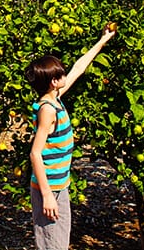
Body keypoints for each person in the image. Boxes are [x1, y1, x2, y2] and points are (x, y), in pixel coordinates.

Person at [26, 26, 116, 250]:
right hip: (49, 189)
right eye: (61, 74)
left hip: (60, 185)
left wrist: (102, 41)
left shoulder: (55, 97)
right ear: (53, 81)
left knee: (59, 242)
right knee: (51, 244)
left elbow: (79, 68)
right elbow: (35, 153)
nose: (66, 75)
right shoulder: (48, 110)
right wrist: (47, 195)